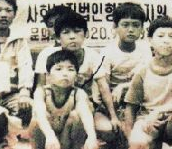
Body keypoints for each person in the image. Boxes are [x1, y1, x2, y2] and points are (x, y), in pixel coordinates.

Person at [34, 11, 122, 145]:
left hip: (84, 105)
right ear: (57, 37)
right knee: (38, 120)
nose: (72, 37)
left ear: (86, 34)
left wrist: (113, 116)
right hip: (55, 106)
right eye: (66, 32)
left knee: (108, 130)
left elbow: (103, 88)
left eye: (77, 31)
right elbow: (41, 85)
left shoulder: (93, 56)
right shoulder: (47, 55)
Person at [124, 16, 172, 149]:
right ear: (150, 40)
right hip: (148, 119)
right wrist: (131, 138)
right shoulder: (142, 71)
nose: (166, 40)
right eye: (161, 36)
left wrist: (159, 111)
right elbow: (131, 107)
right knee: (138, 142)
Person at [96, 3, 152, 144]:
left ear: (142, 28)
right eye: (125, 25)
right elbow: (103, 87)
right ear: (115, 27)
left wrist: (125, 86)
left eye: (136, 25)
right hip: (113, 103)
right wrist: (113, 116)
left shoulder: (145, 48)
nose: (131, 30)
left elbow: (147, 78)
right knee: (110, 130)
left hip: (138, 101)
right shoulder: (107, 52)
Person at [31, 50, 98, 149]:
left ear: (76, 76)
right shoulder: (41, 92)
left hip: (67, 138)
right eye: (59, 69)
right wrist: (50, 135)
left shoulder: (78, 93)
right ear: (48, 75)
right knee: (37, 119)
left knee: (76, 116)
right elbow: (39, 114)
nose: (65, 73)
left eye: (70, 69)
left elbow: (85, 113)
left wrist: (92, 136)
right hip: (48, 139)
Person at [0, 0, 33, 124]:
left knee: (30, 111)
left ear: (14, 14)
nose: (4, 15)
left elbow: (25, 67)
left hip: (11, 96)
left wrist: (24, 92)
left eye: (8, 10)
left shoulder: (19, 41)